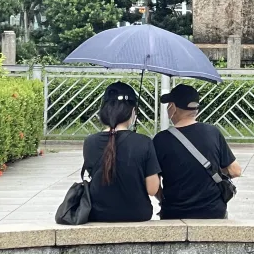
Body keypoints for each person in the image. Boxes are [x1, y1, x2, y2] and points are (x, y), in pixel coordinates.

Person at [153, 84, 241, 219]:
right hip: (213, 213)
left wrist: (162, 199)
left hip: (174, 213)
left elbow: (153, 183)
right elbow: (235, 171)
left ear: (173, 107)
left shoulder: (160, 140)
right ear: (196, 109)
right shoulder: (213, 132)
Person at [83, 82, 161, 222]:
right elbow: (152, 189)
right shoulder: (144, 142)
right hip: (138, 214)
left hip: (98, 214)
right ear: (133, 111)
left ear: (104, 110)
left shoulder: (90, 142)